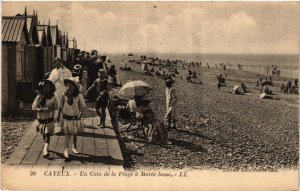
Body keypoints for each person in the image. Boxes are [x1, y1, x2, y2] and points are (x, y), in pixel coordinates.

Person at [57, 78, 86, 160]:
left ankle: (74, 146)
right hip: (66, 117)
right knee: (68, 134)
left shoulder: (78, 95)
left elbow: (82, 106)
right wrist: (59, 115)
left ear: (74, 86)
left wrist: (80, 113)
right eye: (67, 85)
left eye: (70, 85)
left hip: (75, 117)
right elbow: (60, 106)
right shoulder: (64, 95)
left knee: (75, 133)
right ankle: (66, 151)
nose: (68, 87)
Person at [32, 80, 57, 158]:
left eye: (48, 87)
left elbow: (56, 107)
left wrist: (51, 110)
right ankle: (46, 145)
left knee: (47, 134)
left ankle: (45, 150)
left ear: (51, 88)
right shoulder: (39, 97)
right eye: (44, 87)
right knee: (44, 134)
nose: (46, 89)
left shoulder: (53, 98)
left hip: (49, 119)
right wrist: (40, 110)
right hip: (41, 119)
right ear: (42, 88)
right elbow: (34, 107)